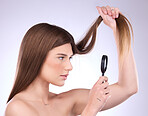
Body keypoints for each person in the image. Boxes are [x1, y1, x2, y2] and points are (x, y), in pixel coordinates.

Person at [5, 6, 138, 116]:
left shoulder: (69, 100)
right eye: (61, 57)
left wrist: (118, 31)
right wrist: (90, 110)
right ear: (37, 57)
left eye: (70, 58)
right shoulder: (17, 108)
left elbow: (128, 88)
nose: (69, 66)